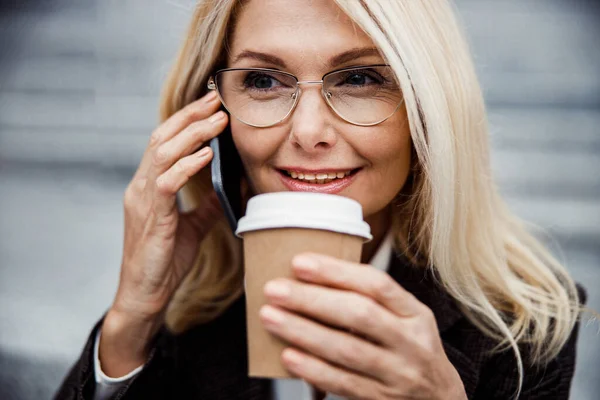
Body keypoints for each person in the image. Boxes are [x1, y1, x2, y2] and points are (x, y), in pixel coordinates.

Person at [54, 0, 588, 399]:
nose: (309, 132)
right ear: (214, 118)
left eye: (359, 78)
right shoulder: (186, 307)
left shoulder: (526, 323)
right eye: (263, 80)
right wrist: (131, 324)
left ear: (430, 109)